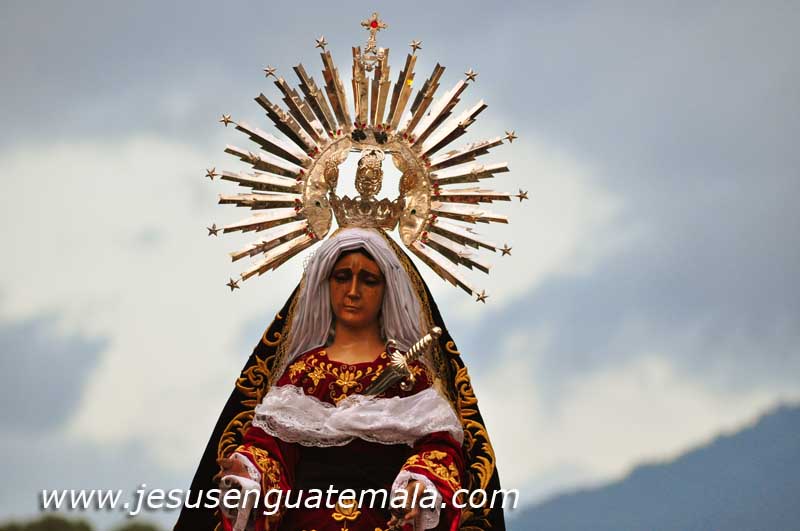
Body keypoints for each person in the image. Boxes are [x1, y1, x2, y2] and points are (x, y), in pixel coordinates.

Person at [174, 228, 506, 531]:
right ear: (326, 283)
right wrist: (248, 470)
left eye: (368, 280)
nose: (353, 291)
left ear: (387, 289)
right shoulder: (303, 372)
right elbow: (271, 449)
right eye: (342, 277)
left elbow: (440, 447)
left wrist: (420, 483)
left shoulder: (410, 376)